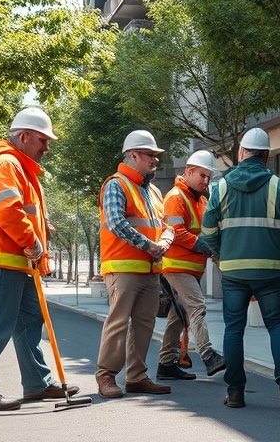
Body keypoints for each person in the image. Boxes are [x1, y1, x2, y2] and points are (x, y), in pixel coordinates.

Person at [0, 107, 78, 412]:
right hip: (4, 260)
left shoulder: (19, 167)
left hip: (17, 262)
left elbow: (20, 210)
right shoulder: (6, 164)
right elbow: (8, 211)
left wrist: (40, 227)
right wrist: (33, 242)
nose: (46, 147)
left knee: (28, 323)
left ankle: (37, 383)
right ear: (24, 136)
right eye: (43, 140)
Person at [200, 128, 280, 410]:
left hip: (233, 271)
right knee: (277, 325)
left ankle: (235, 392)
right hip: (269, 270)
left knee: (234, 329)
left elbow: (207, 229)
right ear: (266, 155)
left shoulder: (220, 187)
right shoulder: (278, 186)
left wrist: (222, 253)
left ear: (241, 153)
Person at [96, 130, 173, 399]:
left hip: (149, 269)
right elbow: (117, 222)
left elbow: (167, 225)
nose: (155, 160)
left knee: (144, 323)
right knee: (118, 322)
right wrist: (149, 246)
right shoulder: (116, 184)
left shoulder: (153, 191)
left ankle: (137, 376)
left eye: (156, 155)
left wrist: (165, 241)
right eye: (150, 155)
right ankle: (106, 376)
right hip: (122, 267)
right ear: (133, 155)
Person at [156, 150, 226, 381]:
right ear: (188, 172)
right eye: (202, 175)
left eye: (208, 177)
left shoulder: (201, 200)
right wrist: (203, 245)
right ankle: (208, 355)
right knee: (197, 305)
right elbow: (175, 232)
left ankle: (166, 364)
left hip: (191, 268)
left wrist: (211, 248)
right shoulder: (176, 197)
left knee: (179, 316)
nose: (205, 181)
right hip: (176, 267)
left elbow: (206, 233)